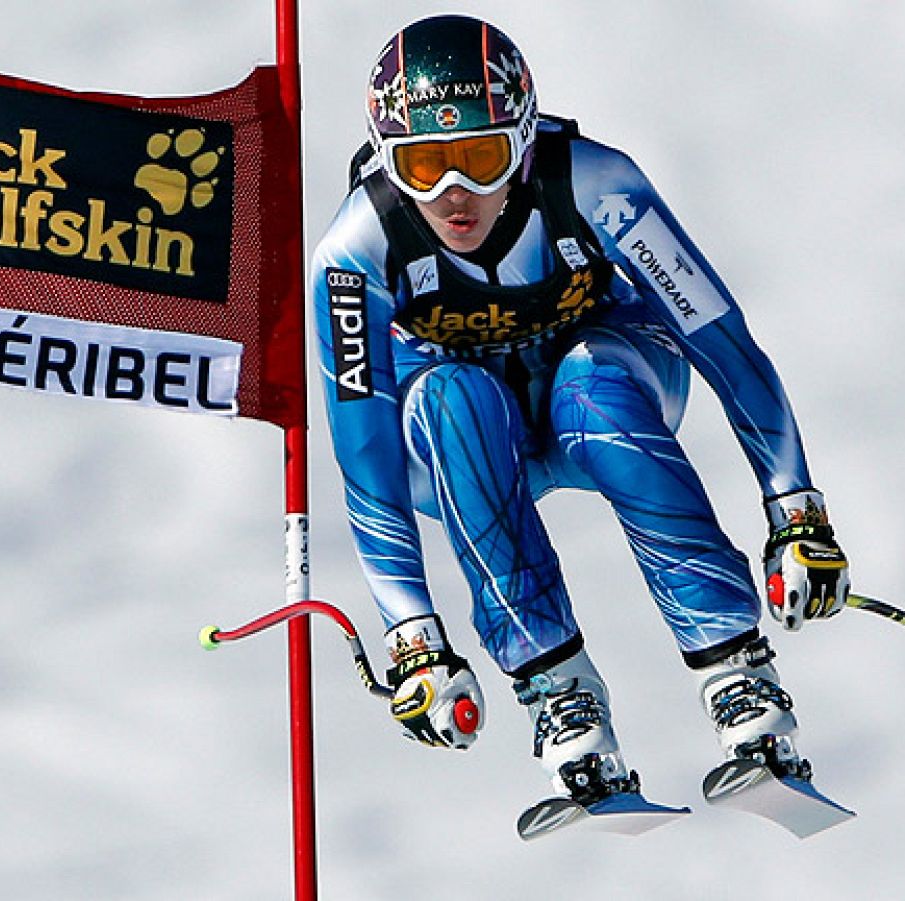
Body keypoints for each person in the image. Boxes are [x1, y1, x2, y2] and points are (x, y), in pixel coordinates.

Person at [309, 14, 851, 807]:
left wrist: (796, 510)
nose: (454, 195)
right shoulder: (354, 248)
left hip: (605, 380)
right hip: (461, 439)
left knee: (590, 387)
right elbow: (366, 458)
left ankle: (739, 676)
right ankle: (559, 694)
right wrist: (414, 637)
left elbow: (718, 337)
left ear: (524, 142)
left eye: (481, 159)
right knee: (453, 397)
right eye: (423, 167)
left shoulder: (595, 183)